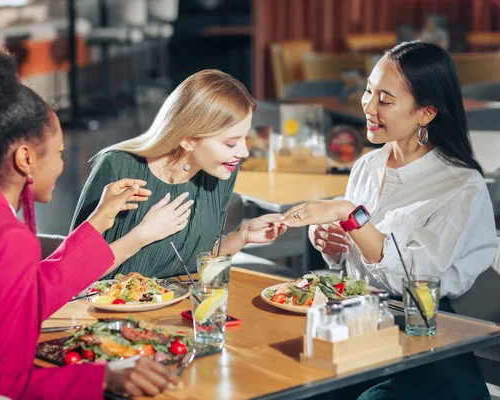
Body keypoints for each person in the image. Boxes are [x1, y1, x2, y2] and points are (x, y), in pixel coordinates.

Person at [0, 41, 180, 399]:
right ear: (25, 158)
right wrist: (104, 378)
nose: (63, 164)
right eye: (59, 152)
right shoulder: (6, 237)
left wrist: (99, 220)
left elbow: (21, 297)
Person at [284, 41, 497, 399]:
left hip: (424, 336)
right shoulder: (367, 166)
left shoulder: (461, 186)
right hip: (359, 324)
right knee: (290, 386)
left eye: (385, 100)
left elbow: (416, 278)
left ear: (426, 113)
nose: (367, 106)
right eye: (369, 90)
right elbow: (353, 257)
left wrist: (349, 215)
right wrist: (330, 242)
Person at [71, 70, 287, 279]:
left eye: (244, 139)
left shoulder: (220, 173)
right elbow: (73, 271)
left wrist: (242, 236)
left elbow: (201, 259)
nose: (244, 152)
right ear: (188, 139)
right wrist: (142, 235)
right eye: (230, 143)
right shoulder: (117, 166)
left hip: (180, 310)